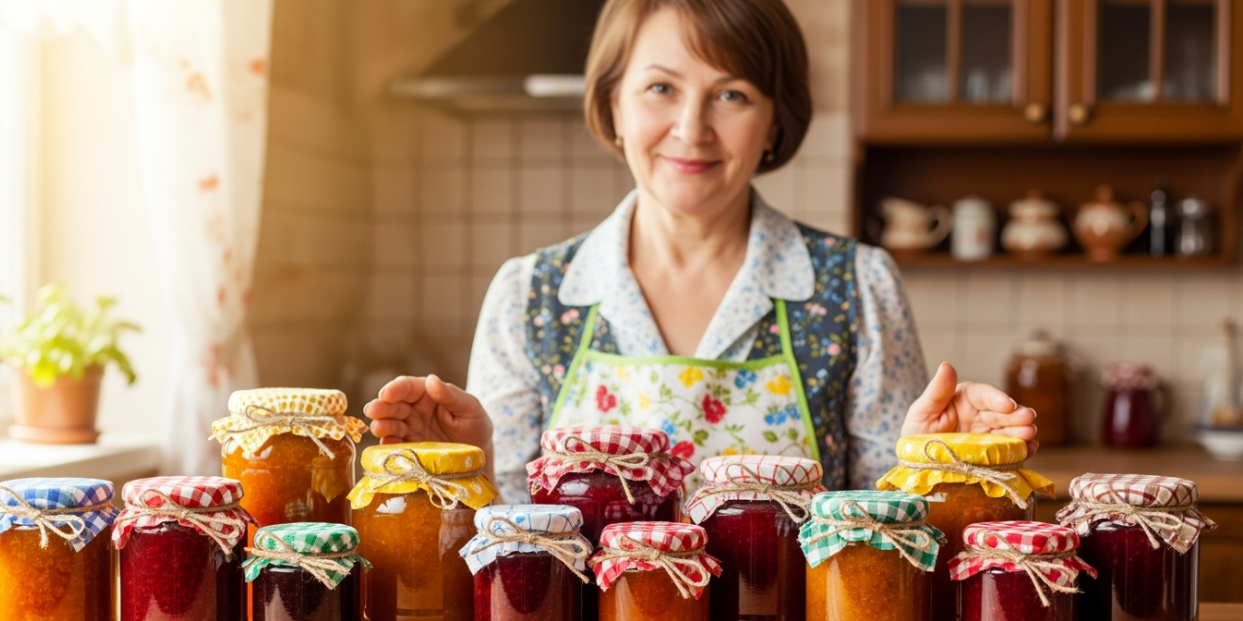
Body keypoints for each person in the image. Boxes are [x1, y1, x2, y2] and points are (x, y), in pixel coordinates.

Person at [365, 0, 1037, 502]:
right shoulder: (529, 296)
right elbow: (508, 544)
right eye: (661, 88)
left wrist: (937, 466)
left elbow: (891, 535)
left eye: (733, 95)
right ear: (614, 103)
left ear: (775, 120)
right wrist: (467, 471)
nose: (692, 129)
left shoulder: (856, 287)